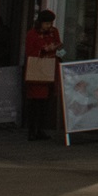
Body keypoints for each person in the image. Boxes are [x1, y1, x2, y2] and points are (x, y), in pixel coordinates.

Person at [22, 11, 62, 141]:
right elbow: (30, 53)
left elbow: (60, 47)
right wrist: (45, 50)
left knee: (46, 103)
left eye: (50, 23)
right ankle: (32, 130)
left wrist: (60, 53)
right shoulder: (32, 34)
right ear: (40, 23)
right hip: (37, 73)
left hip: (51, 70)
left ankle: (40, 129)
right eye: (46, 23)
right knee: (35, 104)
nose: (49, 26)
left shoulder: (54, 32)